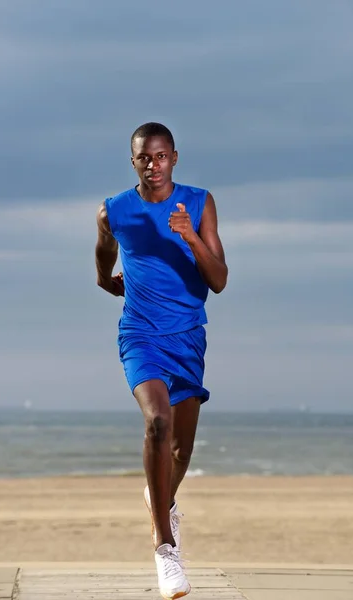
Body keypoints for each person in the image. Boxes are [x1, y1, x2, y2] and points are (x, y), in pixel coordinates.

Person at [95, 122, 228, 600]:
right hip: (140, 335)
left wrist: (190, 236)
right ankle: (165, 547)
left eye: (160, 157)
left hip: (188, 339)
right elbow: (104, 248)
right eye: (143, 159)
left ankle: (162, 502)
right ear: (133, 161)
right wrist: (103, 278)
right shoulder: (115, 210)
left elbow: (219, 279)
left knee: (181, 453)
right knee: (157, 424)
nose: (153, 166)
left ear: (174, 156)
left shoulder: (199, 202)